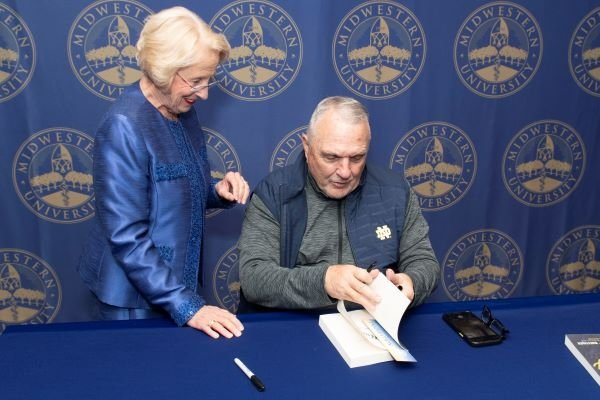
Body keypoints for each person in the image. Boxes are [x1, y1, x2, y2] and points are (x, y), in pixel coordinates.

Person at [78, 7, 248, 339]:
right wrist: (188, 306)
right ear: (162, 70)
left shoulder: (182, 110)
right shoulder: (123, 127)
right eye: (196, 80)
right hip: (132, 302)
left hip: (175, 287)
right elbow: (127, 238)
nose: (204, 93)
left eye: (208, 79)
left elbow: (175, 190)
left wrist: (217, 191)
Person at [239, 96, 439, 311]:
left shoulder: (395, 192)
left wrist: (412, 283)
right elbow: (254, 277)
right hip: (296, 328)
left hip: (373, 325)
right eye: (331, 157)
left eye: (356, 158)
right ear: (307, 147)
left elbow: (424, 261)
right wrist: (324, 281)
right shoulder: (275, 194)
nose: (345, 172)